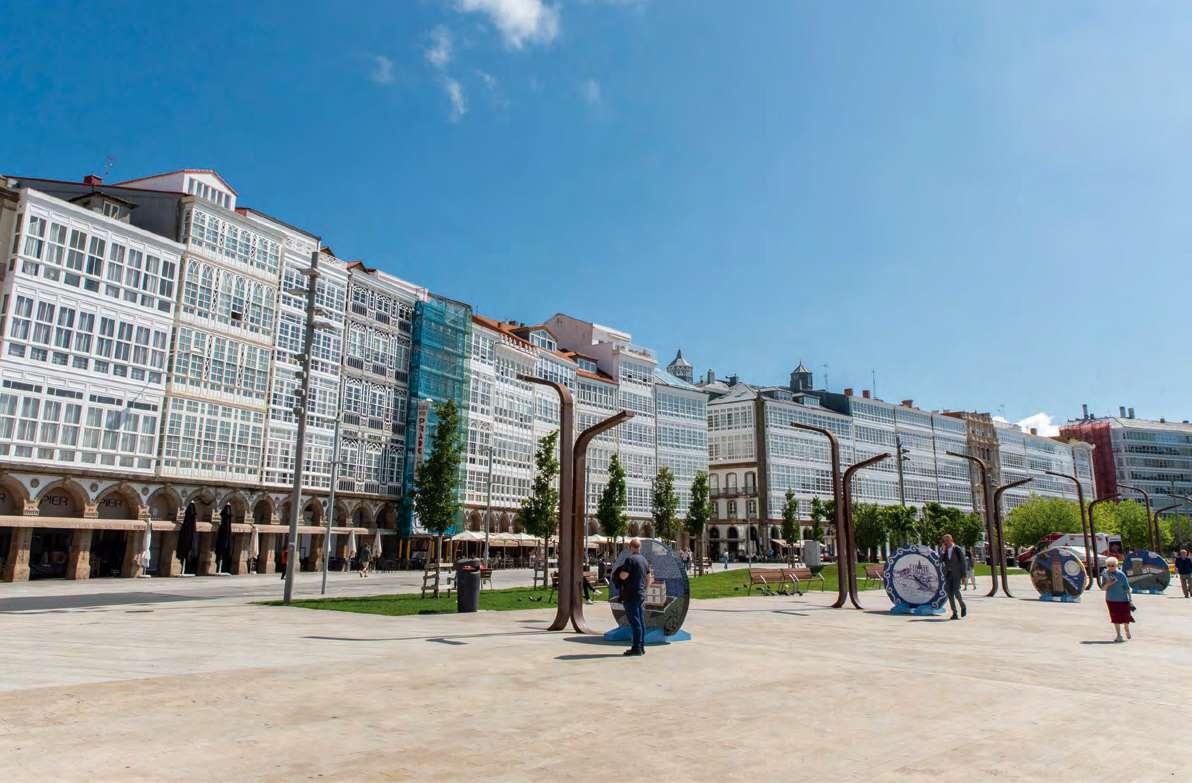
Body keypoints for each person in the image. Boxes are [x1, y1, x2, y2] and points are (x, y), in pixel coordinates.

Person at [615, 538, 652, 656]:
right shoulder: (644, 560)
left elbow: (624, 576)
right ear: (639, 548)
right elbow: (649, 578)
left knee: (635, 622)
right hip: (640, 594)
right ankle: (641, 646)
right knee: (640, 621)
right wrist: (645, 590)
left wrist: (618, 574)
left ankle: (636, 648)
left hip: (631, 594)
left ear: (630, 547)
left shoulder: (630, 560)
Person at [1100, 556, 1134, 642]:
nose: (1110, 567)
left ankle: (1126, 629)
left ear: (1116, 565)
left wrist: (1130, 600)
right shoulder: (1105, 574)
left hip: (1123, 599)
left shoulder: (1121, 574)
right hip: (1111, 599)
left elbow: (1127, 588)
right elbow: (1103, 588)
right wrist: (1109, 583)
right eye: (1108, 565)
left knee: (1126, 617)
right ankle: (1119, 635)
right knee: (1115, 618)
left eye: (1113, 565)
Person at [940, 534, 967, 620]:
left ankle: (963, 606)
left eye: (947, 540)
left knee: (956, 591)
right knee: (950, 594)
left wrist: (964, 575)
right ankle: (954, 613)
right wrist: (943, 550)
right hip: (948, 574)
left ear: (951, 540)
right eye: (945, 541)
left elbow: (963, 562)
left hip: (957, 574)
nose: (946, 542)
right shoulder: (945, 550)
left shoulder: (957, 549)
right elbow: (940, 560)